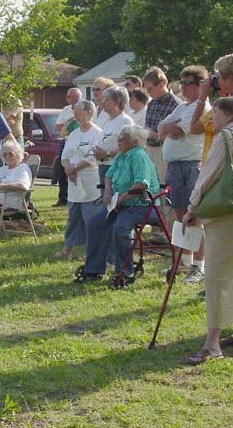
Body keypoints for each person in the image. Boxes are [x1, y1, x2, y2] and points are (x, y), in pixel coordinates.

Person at [182, 98, 233, 363]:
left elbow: (209, 173)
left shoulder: (226, 136)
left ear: (228, 113)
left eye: (214, 113)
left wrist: (193, 207)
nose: (210, 119)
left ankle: (212, 343)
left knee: (216, 276)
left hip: (228, 213)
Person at [74, 125, 161, 285]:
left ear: (134, 142)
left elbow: (141, 184)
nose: (118, 140)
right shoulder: (122, 155)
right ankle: (93, 269)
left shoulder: (139, 156)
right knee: (95, 224)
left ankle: (125, 271)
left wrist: (120, 198)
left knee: (120, 228)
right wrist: (108, 192)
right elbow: (108, 175)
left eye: (122, 138)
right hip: (120, 205)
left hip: (141, 205)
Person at [159, 65, 210, 283]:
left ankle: (199, 266)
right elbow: (162, 126)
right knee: (180, 217)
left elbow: (180, 131)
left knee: (194, 217)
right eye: (181, 81)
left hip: (191, 166)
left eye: (187, 82)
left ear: (200, 85)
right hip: (175, 166)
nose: (183, 86)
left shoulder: (201, 107)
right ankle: (184, 261)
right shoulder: (183, 107)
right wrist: (169, 126)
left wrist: (170, 127)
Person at [58, 100, 104, 259]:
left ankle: (91, 250)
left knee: (90, 217)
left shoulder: (97, 133)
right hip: (73, 181)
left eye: (78, 111)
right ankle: (68, 248)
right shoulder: (74, 134)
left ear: (89, 112)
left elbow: (93, 157)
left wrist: (75, 168)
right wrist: (67, 169)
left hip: (90, 180)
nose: (75, 114)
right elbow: (64, 156)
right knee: (73, 216)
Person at [142, 66, 183, 183]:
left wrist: (153, 134)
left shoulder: (177, 105)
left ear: (161, 84)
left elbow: (177, 136)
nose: (148, 93)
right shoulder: (151, 104)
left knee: (163, 189)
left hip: (165, 152)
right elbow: (147, 127)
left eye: (150, 89)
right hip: (150, 151)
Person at [92, 86, 134, 184]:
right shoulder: (108, 121)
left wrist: (107, 154)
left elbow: (128, 148)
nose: (103, 102)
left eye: (107, 99)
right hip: (104, 166)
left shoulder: (125, 121)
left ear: (118, 102)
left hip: (118, 168)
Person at [53, 87, 83, 207]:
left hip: (79, 142)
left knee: (77, 168)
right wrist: (68, 126)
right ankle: (63, 197)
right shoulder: (66, 110)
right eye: (71, 97)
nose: (74, 100)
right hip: (66, 141)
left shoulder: (84, 108)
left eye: (77, 97)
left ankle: (76, 197)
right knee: (62, 167)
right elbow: (58, 126)